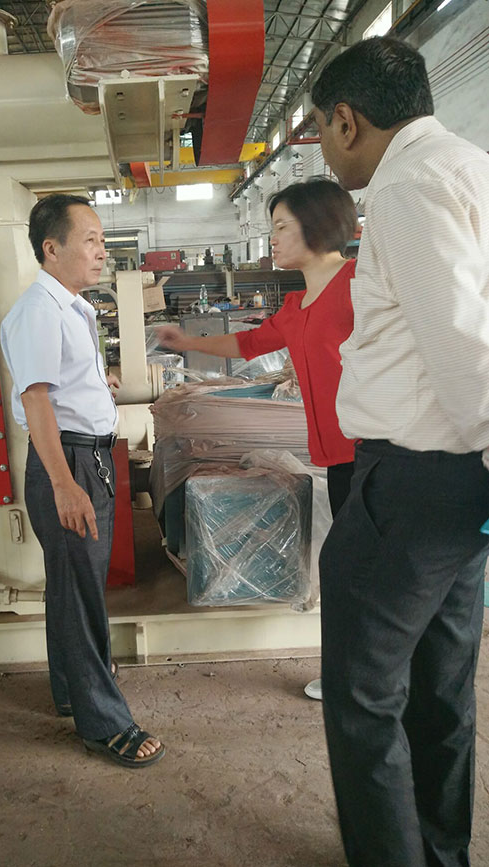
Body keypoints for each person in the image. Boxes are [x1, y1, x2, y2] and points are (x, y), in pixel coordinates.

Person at [310, 36, 489, 867]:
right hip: (462, 490)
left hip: (415, 483)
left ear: (347, 120)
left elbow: (464, 346)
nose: (323, 144)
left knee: (362, 694)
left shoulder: (409, 187)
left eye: (320, 127)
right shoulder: (472, 168)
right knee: (441, 688)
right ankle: (441, 852)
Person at [157, 178, 359, 700]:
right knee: (346, 571)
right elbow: (249, 343)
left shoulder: (361, 285)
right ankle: (353, 674)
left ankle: (369, 680)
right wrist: (187, 341)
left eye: (281, 227)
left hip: (377, 455)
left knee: (363, 573)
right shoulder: (297, 305)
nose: (272, 238)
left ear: (316, 227)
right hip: (339, 461)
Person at [0, 194, 164, 768]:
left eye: (101, 241)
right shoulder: (40, 311)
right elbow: (36, 401)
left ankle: (72, 690)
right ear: (52, 248)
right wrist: (65, 485)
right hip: (67, 464)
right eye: (90, 240)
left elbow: (59, 385)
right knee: (80, 595)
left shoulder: (72, 306)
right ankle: (105, 724)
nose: (101, 251)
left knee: (72, 587)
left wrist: (97, 385)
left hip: (84, 457)